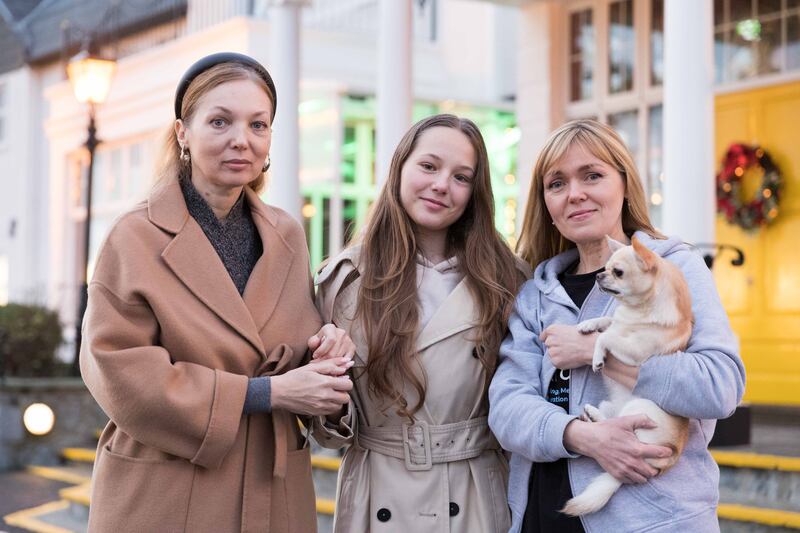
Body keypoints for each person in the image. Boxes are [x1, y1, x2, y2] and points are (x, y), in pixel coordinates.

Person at [80, 52, 355, 533]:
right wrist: (264, 393)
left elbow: (295, 351)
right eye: (220, 121)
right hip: (168, 493)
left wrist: (327, 353)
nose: (241, 141)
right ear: (183, 133)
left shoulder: (286, 234)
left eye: (258, 125)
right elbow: (118, 371)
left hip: (273, 494)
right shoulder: (134, 236)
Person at [488, 119, 745, 533]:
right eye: (557, 184)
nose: (575, 194)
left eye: (592, 175)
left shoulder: (673, 268)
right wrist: (583, 437)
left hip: (653, 520)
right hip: (545, 517)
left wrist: (598, 354)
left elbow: (721, 385)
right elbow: (506, 408)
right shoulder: (535, 294)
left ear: (624, 184)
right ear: (547, 206)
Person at [310, 114, 527, 532]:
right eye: (428, 166)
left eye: (461, 177)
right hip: (378, 490)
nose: (442, 185)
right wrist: (329, 381)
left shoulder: (508, 281)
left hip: (474, 494)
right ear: (400, 168)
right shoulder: (343, 279)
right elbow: (327, 431)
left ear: (474, 192)